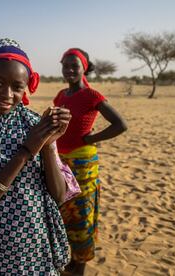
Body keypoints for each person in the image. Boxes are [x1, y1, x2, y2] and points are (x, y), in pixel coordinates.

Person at [0, 38, 81, 275]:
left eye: (17, 87)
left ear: (26, 87)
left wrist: (49, 144)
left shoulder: (37, 125)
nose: (8, 94)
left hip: (36, 246)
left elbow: (59, 195)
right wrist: (26, 151)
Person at [54, 48, 127, 275]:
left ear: (84, 67)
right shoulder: (60, 95)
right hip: (60, 160)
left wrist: (92, 138)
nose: (69, 70)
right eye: (65, 65)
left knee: (82, 213)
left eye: (74, 65)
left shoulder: (92, 95)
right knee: (62, 211)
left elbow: (120, 124)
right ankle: (71, 260)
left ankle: (81, 265)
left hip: (83, 163)